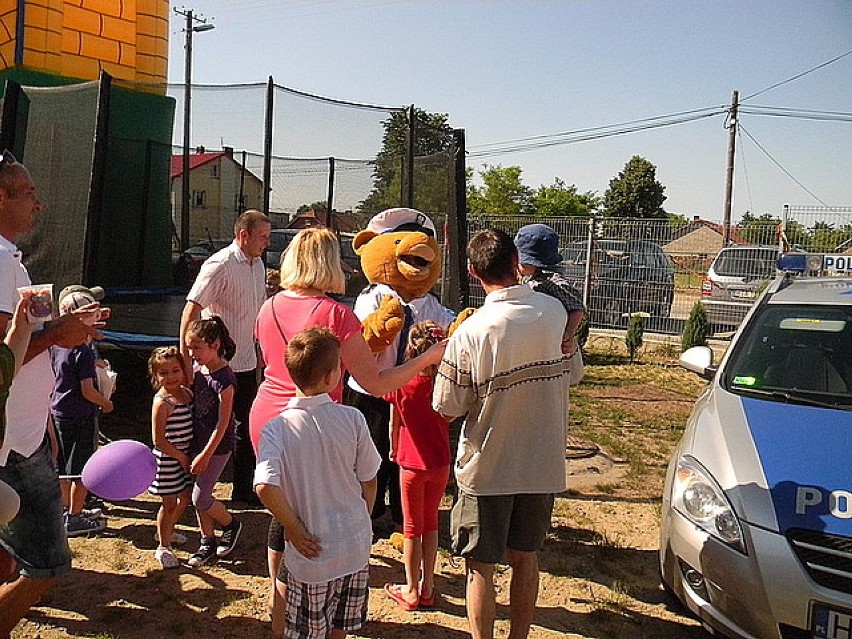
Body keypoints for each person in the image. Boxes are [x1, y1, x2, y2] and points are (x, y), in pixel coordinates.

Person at [249, 227, 446, 633]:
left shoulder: (267, 306)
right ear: (330, 263)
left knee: (287, 507)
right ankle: (308, 602)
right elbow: (375, 382)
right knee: (319, 508)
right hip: (316, 418)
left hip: (269, 413)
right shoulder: (336, 314)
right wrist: (426, 358)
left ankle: (280, 601)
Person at [433, 229, 571, 639]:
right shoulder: (555, 313)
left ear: (474, 273)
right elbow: (573, 373)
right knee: (527, 559)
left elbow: (447, 405)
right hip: (541, 463)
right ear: (516, 262)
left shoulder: (472, 332)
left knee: (480, 566)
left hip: (487, 467)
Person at [0, 150, 107, 638]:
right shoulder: (1, 264)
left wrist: (60, 331)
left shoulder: (11, 261)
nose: (37, 206)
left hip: (24, 436)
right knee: (45, 567)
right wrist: (56, 334)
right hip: (12, 447)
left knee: (12, 556)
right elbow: (5, 355)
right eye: (29, 195)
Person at [254, 327, 381, 639]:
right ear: (330, 376)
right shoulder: (353, 419)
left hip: (313, 554)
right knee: (341, 627)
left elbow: (264, 486)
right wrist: (362, 518)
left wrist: (293, 527)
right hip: (354, 546)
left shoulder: (277, 429)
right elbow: (369, 480)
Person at [344, 208, 455, 532]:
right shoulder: (374, 296)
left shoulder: (429, 303)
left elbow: (447, 326)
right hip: (372, 392)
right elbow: (363, 337)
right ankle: (370, 512)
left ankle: (400, 516)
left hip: (410, 392)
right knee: (371, 454)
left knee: (405, 454)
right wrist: (378, 331)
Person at [180, 209, 271, 508]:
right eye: (262, 237)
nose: (266, 243)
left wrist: (258, 351)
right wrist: (186, 362)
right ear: (243, 235)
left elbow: (256, 313)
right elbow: (191, 311)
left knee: (245, 426)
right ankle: (193, 489)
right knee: (208, 425)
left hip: (245, 363)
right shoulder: (219, 265)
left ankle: (242, 490)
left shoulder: (257, 266)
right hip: (215, 367)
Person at [381, 321, 451, 612]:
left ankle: (410, 589)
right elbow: (450, 418)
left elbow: (393, 421)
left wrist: (393, 447)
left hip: (411, 462)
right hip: (440, 461)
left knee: (411, 527)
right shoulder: (445, 385)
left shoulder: (402, 383)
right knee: (431, 522)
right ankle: (428, 586)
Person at [50, 285, 114, 538]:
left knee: (62, 467)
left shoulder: (57, 344)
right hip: (80, 414)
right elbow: (87, 390)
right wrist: (105, 402)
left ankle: (66, 513)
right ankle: (74, 518)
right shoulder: (84, 351)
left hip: (59, 412)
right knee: (81, 470)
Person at [184, 317, 243, 567]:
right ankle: (206, 540)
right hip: (197, 442)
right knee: (198, 492)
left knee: (200, 497)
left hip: (216, 447)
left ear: (215, 345)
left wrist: (206, 454)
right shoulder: (200, 372)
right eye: (190, 348)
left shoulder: (224, 380)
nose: (192, 354)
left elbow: (223, 423)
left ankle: (231, 524)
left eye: (197, 348)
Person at [147, 346, 194, 569]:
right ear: (155, 376)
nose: (171, 377)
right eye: (164, 373)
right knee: (169, 503)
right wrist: (181, 457)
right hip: (168, 460)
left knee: (185, 498)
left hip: (184, 459)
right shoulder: (162, 403)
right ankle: (163, 546)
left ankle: (166, 531)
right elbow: (159, 440)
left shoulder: (186, 394)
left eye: (175, 370)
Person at [514, 224, 585, 357]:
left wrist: (569, 333)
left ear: (534, 263)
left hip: (555, 343)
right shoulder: (530, 277)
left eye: (521, 262)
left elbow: (578, 308)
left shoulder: (554, 282)